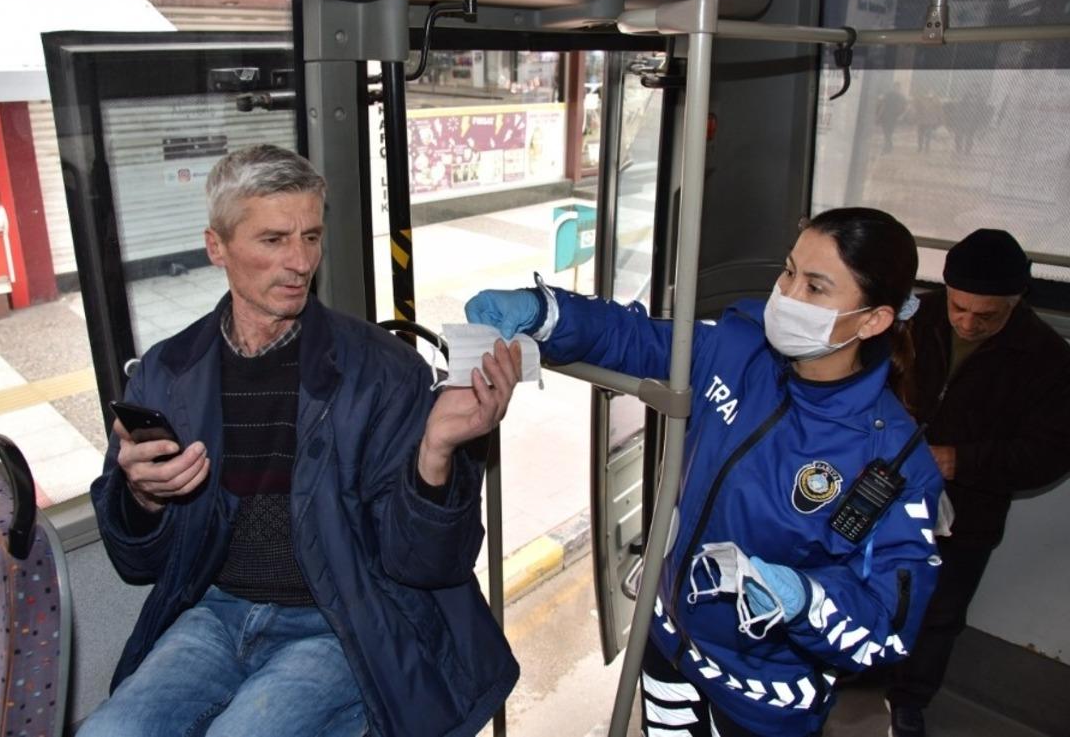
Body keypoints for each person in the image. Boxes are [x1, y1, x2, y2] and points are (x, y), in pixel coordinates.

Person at [80, 144, 521, 737]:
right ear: (217, 248)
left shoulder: (385, 373)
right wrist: (144, 499)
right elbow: (137, 564)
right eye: (273, 240)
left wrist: (435, 455)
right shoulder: (167, 373)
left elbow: (426, 564)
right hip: (215, 612)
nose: (299, 262)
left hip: (339, 620)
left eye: (310, 237)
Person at [467, 207, 944, 737]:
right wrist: (547, 312)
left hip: (762, 697)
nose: (786, 296)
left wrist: (805, 599)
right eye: (788, 272)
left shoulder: (891, 461)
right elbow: (638, 339)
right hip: (668, 640)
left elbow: (888, 628)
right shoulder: (740, 348)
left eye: (815, 287)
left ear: (874, 319)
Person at [885, 229, 1070, 737]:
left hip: (968, 515)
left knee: (939, 615)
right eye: (959, 308)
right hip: (886, 496)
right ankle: (856, 677)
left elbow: (1049, 453)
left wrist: (957, 461)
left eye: (986, 316)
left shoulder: (1048, 358)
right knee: (873, 588)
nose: (968, 323)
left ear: (1017, 301)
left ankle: (908, 702)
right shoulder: (914, 318)